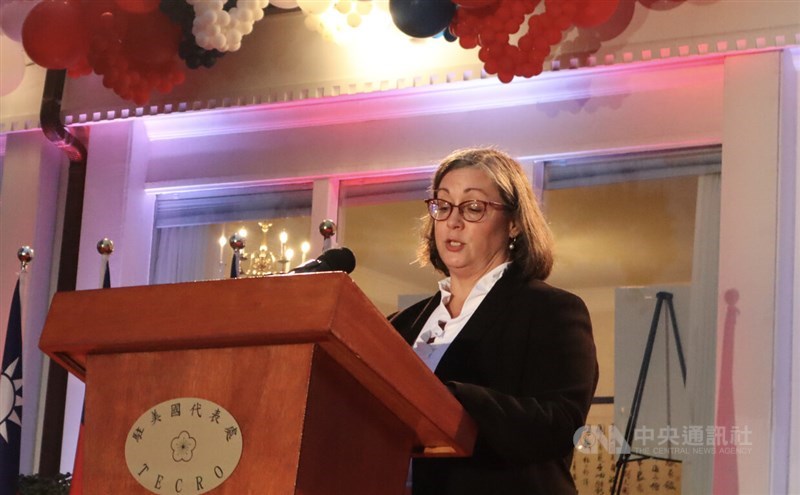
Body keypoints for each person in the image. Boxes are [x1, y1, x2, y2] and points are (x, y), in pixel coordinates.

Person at [389, 147, 598, 495]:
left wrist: (446, 397)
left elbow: (560, 425)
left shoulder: (552, 310)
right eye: (443, 205)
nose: (453, 221)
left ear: (514, 222)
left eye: (473, 208)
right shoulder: (401, 325)